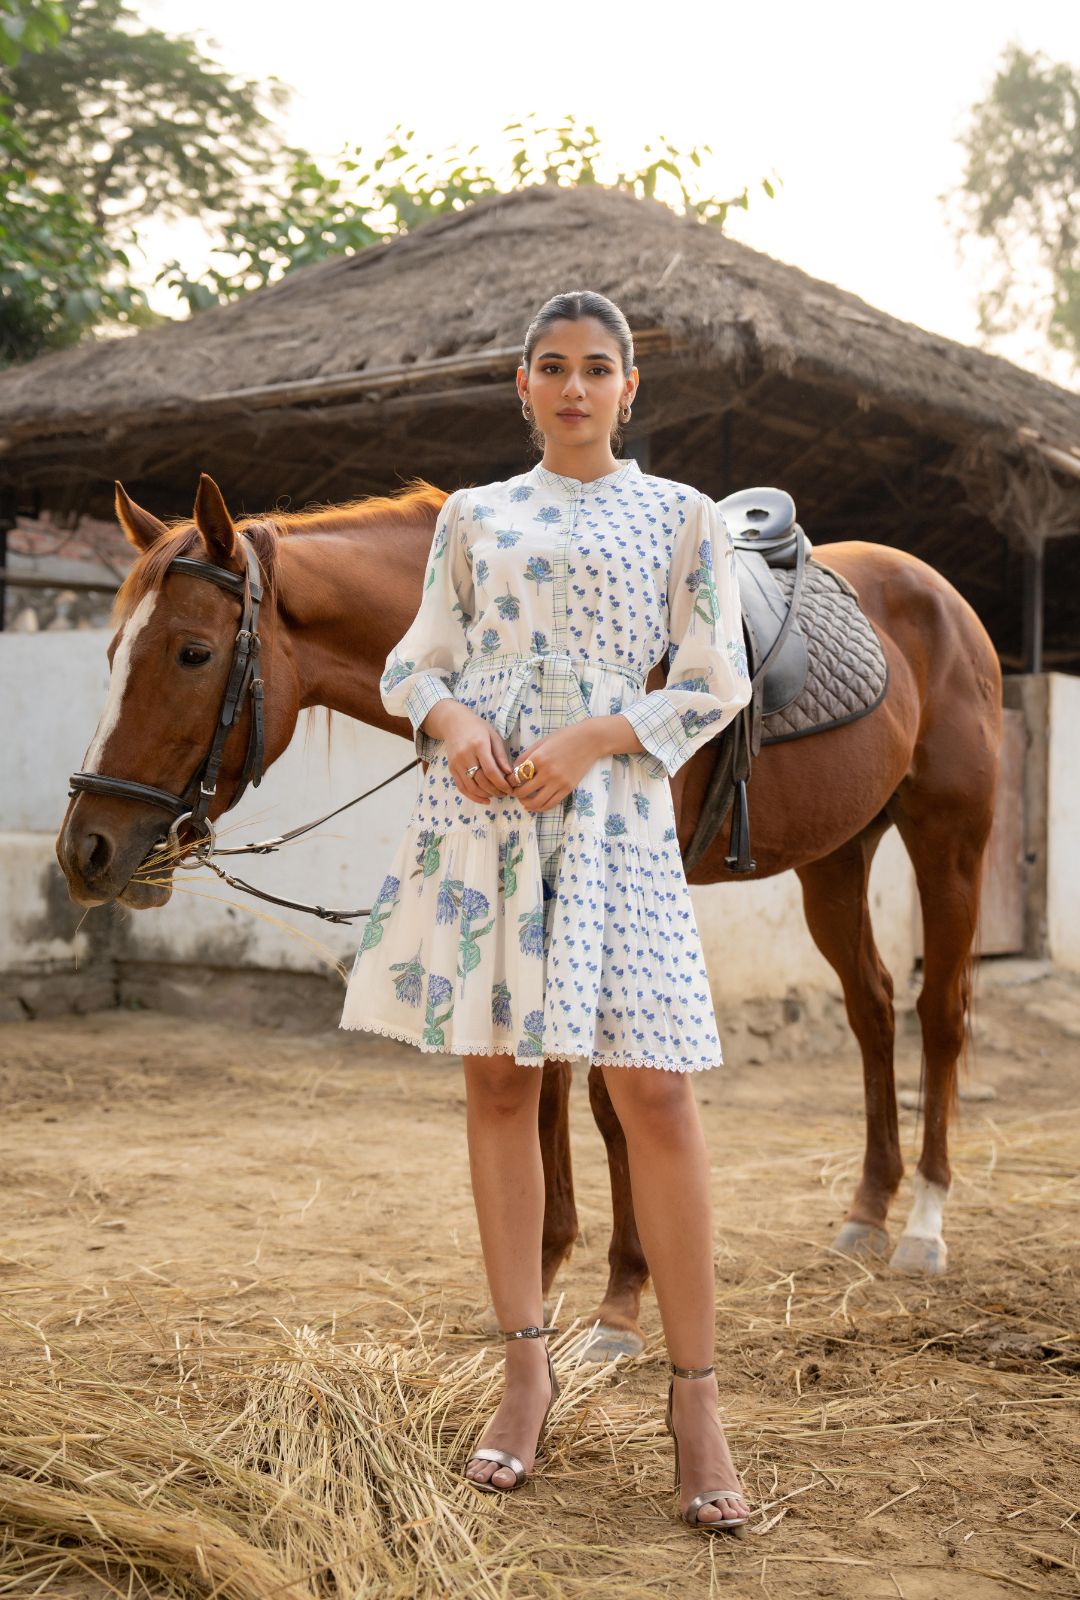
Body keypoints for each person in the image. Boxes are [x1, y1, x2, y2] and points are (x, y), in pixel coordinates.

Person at [340, 289, 754, 1534]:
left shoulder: (683, 518)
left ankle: (697, 1395)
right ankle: (526, 1371)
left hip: (615, 813)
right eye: (552, 368)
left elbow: (716, 676)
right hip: (487, 824)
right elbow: (413, 662)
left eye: (598, 369)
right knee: (501, 1087)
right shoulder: (472, 518)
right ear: (522, 386)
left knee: (655, 1090)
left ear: (631, 389)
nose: (575, 388)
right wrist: (456, 720)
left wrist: (597, 735)